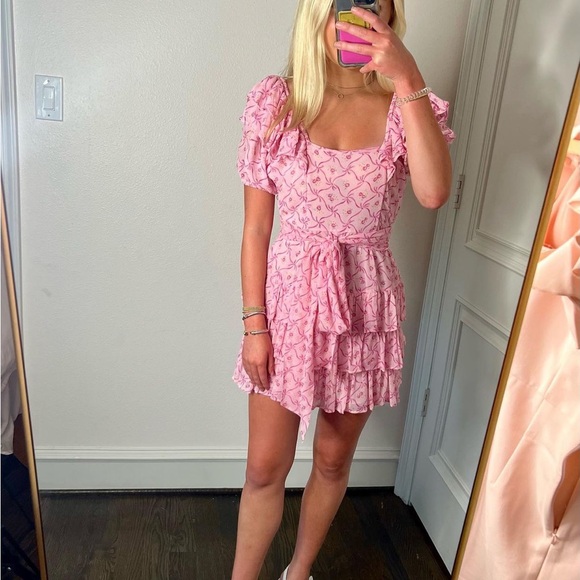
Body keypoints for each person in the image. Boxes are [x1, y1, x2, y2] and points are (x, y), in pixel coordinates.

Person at [231, 1, 455, 578]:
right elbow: (256, 230)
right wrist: (254, 326)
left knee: (332, 461)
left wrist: (406, 75)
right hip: (287, 306)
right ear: (318, 13)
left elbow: (433, 193)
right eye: (342, 5)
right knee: (264, 469)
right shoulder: (278, 103)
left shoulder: (406, 105)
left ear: (390, 14)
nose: (355, 19)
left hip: (363, 308)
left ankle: (298, 572)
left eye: (372, 5)